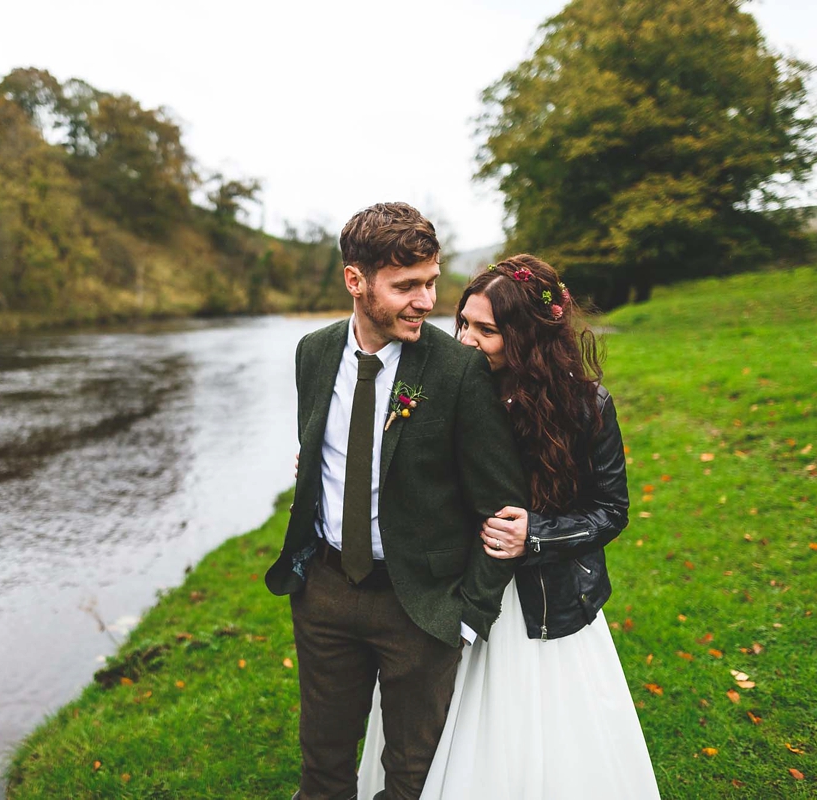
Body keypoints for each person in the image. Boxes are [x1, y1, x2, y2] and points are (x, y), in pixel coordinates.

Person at [356, 254, 660, 799]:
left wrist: (535, 535)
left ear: (527, 339)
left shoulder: (585, 406)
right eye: (464, 324)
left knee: (534, 741)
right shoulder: (440, 387)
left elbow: (611, 510)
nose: (467, 340)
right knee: (421, 736)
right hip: (448, 589)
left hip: (542, 604)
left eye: (487, 331)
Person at [265, 203, 529, 800]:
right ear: (355, 281)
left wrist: (466, 618)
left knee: (410, 780)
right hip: (326, 594)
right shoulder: (312, 352)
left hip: (422, 607)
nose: (426, 301)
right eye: (406, 286)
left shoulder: (459, 371)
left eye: (432, 281)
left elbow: (502, 504)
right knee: (323, 771)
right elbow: (322, 452)